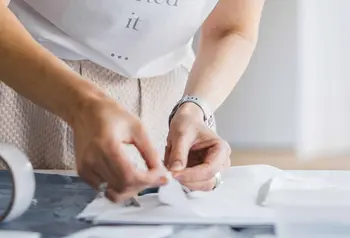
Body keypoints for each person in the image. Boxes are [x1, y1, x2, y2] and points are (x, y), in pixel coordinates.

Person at [0, 0, 265, 202]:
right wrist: (83, 106)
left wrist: (196, 108)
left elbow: (232, 28)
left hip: (167, 99)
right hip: (24, 83)